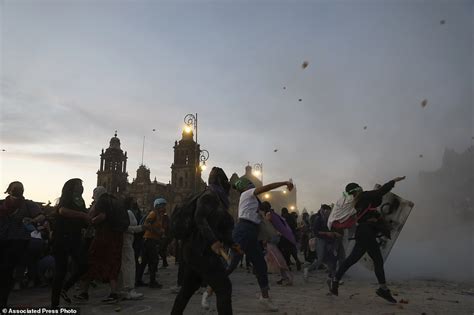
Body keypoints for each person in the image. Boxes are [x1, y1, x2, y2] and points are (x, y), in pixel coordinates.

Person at [328, 176, 406, 304]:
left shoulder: (354, 202)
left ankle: (335, 280)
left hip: (363, 233)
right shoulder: (364, 196)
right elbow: (381, 192)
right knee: (377, 260)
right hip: (366, 233)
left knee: (353, 259)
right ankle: (383, 289)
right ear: (357, 189)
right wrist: (393, 181)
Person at [171, 167, 235, 315]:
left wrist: (232, 243)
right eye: (225, 182)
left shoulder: (216, 199)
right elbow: (199, 218)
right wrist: (213, 242)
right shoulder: (209, 196)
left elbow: (219, 225)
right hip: (200, 250)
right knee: (224, 287)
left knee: (187, 289)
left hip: (195, 251)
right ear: (220, 182)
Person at [232, 177, 294, 312]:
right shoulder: (247, 193)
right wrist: (284, 182)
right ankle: (209, 290)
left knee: (260, 265)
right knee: (232, 263)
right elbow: (268, 187)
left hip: (251, 233)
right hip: (243, 231)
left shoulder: (253, 201)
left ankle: (265, 298)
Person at [75, 187, 125, 303]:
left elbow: (102, 216)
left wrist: (91, 222)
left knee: (92, 261)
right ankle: (113, 293)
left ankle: (84, 292)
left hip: (103, 236)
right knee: (113, 263)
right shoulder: (116, 202)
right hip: (117, 237)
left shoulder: (102, 201)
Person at [0, 181, 44, 308]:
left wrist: (32, 220)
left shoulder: (28, 204)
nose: (18, 190)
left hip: (18, 240)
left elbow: (41, 216)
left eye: (20, 188)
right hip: (2, 238)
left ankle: (4, 300)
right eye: (15, 188)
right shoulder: (2, 203)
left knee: (7, 269)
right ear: (9, 190)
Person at [50, 178, 90, 307]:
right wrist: (82, 215)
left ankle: (65, 288)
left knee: (84, 265)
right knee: (60, 271)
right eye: (79, 185)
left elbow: (84, 219)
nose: (81, 187)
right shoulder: (66, 199)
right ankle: (54, 304)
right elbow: (62, 211)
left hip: (75, 238)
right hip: (62, 237)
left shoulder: (80, 201)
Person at [303, 204, 341, 281]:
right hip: (320, 240)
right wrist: (326, 233)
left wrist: (334, 233)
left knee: (331, 258)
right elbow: (316, 232)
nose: (329, 213)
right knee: (320, 259)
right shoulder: (318, 219)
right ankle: (308, 269)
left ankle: (334, 276)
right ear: (324, 211)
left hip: (329, 241)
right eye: (327, 211)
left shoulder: (330, 219)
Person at [136, 198, 167, 289]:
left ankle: (138, 280)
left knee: (145, 261)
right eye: (163, 206)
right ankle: (152, 282)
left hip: (151, 240)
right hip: (150, 240)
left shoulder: (159, 216)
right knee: (154, 261)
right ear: (157, 206)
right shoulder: (153, 214)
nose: (164, 208)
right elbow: (147, 224)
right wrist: (157, 231)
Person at [117, 196, 144, 300]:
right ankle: (129, 290)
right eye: (134, 201)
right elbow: (125, 228)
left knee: (125, 265)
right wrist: (141, 228)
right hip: (126, 241)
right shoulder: (127, 213)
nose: (136, 202)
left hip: (128, 241)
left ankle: (122, 289)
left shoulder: (126, 212)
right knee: (129, 265)